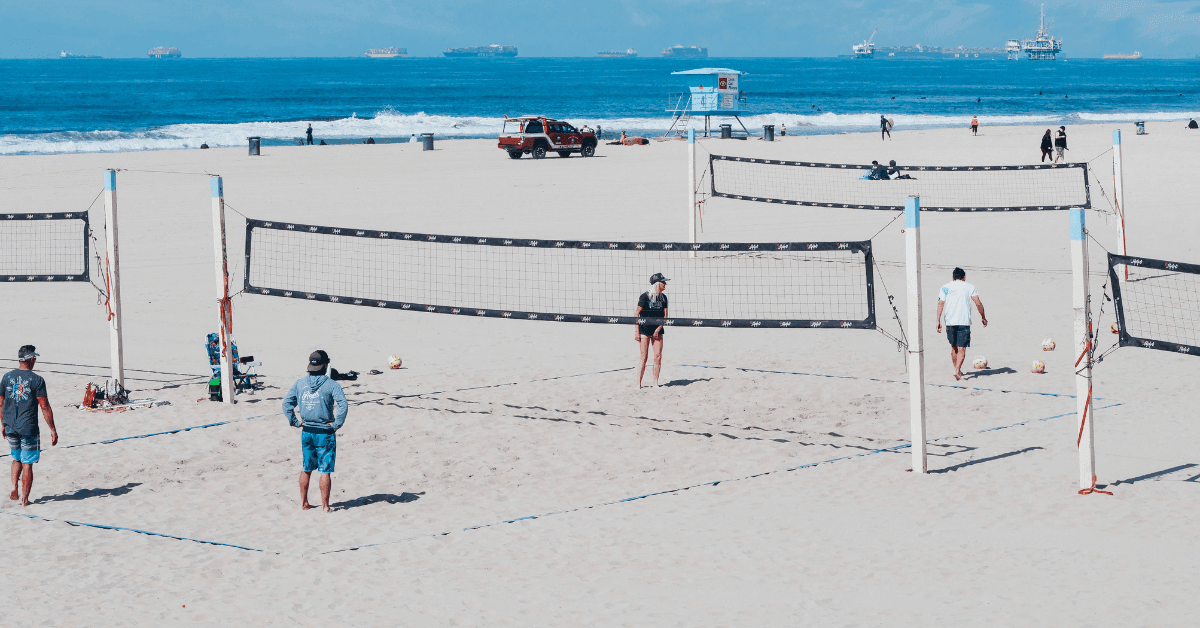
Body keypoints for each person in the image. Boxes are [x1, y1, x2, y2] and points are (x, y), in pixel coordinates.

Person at [282, 350, 348, 513]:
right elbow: (343, 405)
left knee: (306, 467)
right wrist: (336, 424)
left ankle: (304, 503)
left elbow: (286, 404)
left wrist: (295, 422)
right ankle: (325, 506)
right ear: (326, 365)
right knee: (325, 470)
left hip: (307, 431)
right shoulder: (332, 384)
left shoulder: (300, 383)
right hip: (324, 432)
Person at [0, 346, 58, 507]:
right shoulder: (37, 380)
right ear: (31, 359)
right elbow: (45, 406)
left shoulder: (7, 377)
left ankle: (13, 487)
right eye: (35, 358)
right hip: (28, 428)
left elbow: (1, 403)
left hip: (10, 425)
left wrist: (3, 424)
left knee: (15, 458)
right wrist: (52, 429)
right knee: (27, 463)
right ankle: (25, 500)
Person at [936, 268, 988, 381]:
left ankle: (957, 369)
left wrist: (938, 320)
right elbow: (978, 303)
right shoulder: (969, 286)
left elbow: (940, 304)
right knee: (962, 348)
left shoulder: (945, 287)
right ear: (964, 277)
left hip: (949, 321)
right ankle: (957, 370)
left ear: (953, 277)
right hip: (964, 322)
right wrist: (983, 317)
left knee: (954, 347)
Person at [635, 274, 669, 388]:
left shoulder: (663, 297)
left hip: (658, 329)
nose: (665, 284)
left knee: (658, 356)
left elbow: (665, 316)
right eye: (663, 282)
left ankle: (655, 383)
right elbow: (637, 314)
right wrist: (637, 332)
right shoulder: (645, 296)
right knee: (643, 357)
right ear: (657, 283)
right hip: (644, 329)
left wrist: (658, 329)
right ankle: (638, 383)